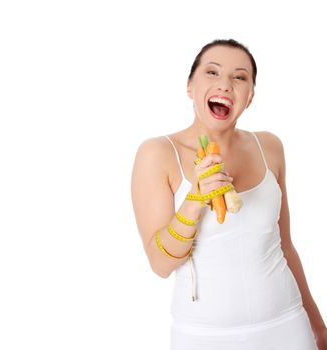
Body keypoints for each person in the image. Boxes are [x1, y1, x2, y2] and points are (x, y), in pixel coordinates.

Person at [130, 39, 327, 349]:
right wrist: (194, 199)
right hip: (205, 337)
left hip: (288, 325)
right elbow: (160, 264)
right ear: (189, 86)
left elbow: (285, 246)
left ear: (249, 97)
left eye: (239, 77)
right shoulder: (157, 153)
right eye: (212, 72)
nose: (225, 84)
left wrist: (319, 326)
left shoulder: (270, 147)